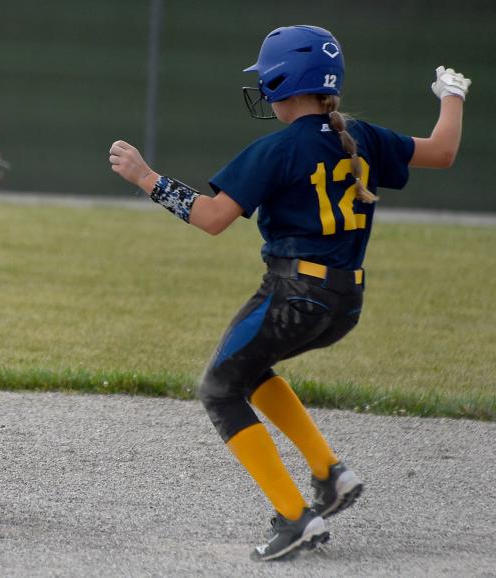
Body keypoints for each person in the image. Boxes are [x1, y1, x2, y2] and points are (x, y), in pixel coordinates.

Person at [108, 25, 469, 561]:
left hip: (294, 294)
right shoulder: (361, 135)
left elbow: (211, 219)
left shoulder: (278, 149)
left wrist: (147, 178)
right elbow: (442, 152)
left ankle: (297, 517)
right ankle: (331, 476)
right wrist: (454, 96)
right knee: (248, 373)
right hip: (345, 302)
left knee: (218, 389)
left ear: (282, 81)